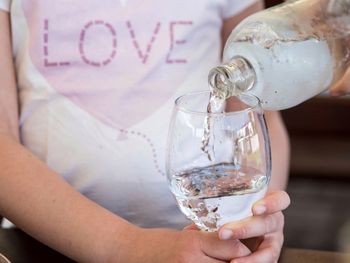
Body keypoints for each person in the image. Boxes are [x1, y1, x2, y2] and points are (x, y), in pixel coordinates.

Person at [0, 1, 292, 262]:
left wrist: (252, 220)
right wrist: (126, 246)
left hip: (211, 241)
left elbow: (257, 116)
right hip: (41, 243)